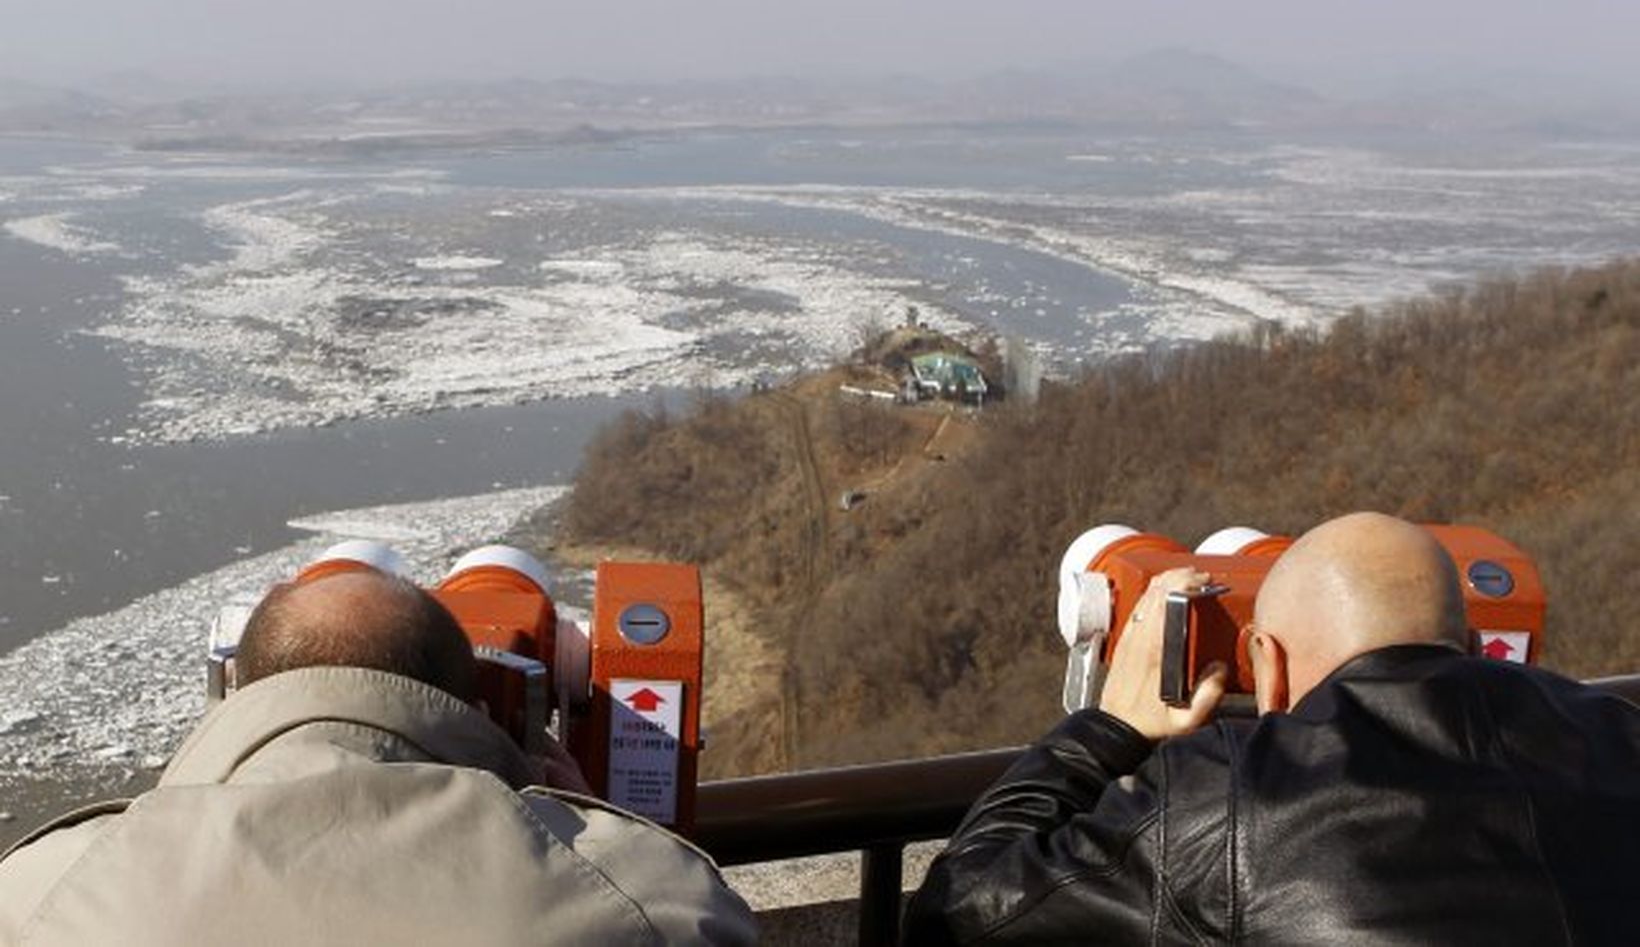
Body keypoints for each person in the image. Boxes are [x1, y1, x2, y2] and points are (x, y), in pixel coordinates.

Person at [904, 512, 1640, 945]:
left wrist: (1110, 724)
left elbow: (958, 915)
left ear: (1269, 663)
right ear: (1475, 648)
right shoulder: (1619, 735)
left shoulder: (1229, 793)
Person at [0, 568, 756, 945]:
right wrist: (598, 833)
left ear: (234, 688)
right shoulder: (653, 901)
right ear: (478, 703)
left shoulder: (41, 895)